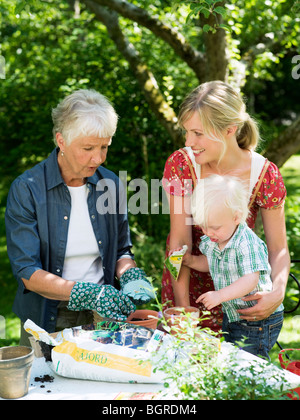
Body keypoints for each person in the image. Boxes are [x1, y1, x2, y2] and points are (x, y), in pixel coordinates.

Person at [5, 89, 155, 346]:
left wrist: (130, 274)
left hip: (103, 316)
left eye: (104, 147)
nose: (98, 158)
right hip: (47, 319)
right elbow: (27, 272)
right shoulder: (27, 188)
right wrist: (85, 293)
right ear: (61, 140)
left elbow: (121, 250)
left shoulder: (110, 184)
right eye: (88, 148)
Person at [162, 80, 289, 332]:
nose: (189, 141)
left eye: (198, 133)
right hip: (188, 293)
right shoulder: (180, 165)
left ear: (230, 129)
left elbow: (278, 248)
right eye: (187, 131)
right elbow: (178, 243)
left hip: (240, 298)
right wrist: (182, 311)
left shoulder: (265, 174)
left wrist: (277, 292)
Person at [181, 174, 284, 358]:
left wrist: (220, 295)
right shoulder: (214, 239)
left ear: (236, 217)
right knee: (232, 360)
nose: (208, 233)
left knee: (250, 364)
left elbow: (250, 280)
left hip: (258, 318)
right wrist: (191, 261)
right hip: (235, 315)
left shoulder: (246, 243)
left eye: (214, 227)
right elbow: (210, 262)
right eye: (203, 227)